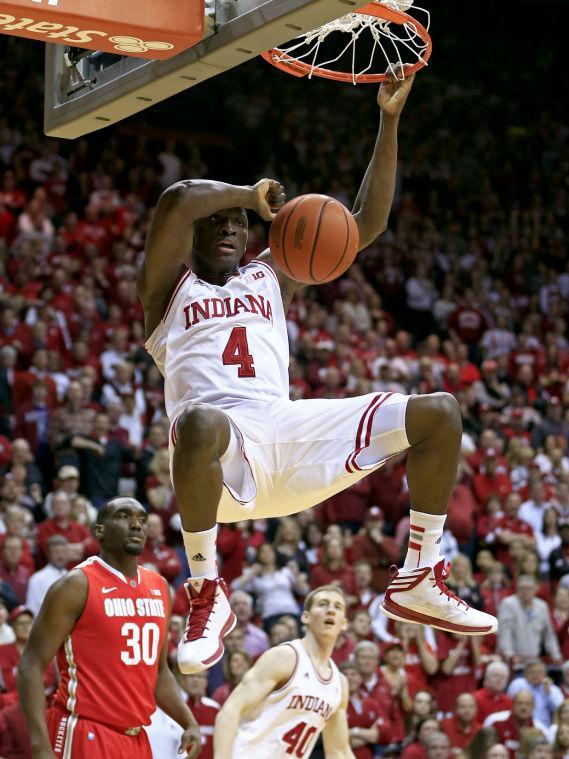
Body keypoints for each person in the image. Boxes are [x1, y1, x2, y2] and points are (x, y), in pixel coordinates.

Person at [138, 70, 497, 675]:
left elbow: (366, 223)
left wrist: (388, 122)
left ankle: (418, 575)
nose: (230, 227)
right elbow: (176, 199)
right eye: (217, 220)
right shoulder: (165, 293)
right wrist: (247, 195)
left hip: (287, 432)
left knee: (439, 413)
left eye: (239, 223)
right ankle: (205, 590)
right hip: (221, 460)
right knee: (199, 422)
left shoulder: (268, 276)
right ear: (193, 235)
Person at [17, 496, 201, 759]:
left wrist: (189, 722)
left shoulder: (160, 588)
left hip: (136, 738)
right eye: (124, 517)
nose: (136, 525)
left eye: (142, 519)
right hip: (84, 729)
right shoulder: (76, 585)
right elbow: (30, 665)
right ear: (100, 531)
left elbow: (159, 673)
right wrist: (39, 746)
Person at [213, 585, 354, 757]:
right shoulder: (285, 657)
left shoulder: (339, 684)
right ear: (305, 617)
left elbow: (339, 750)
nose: (331, 610)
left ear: (344, 623)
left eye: (337, 607)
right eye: (323, 604)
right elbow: (230, 711)